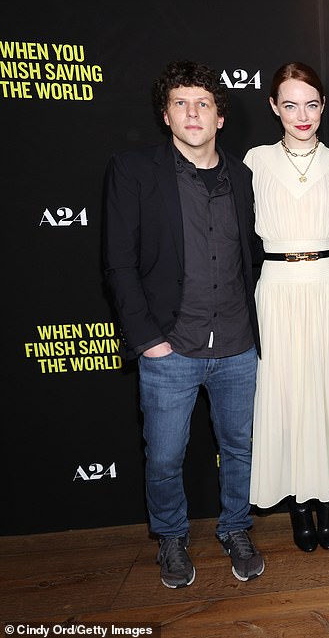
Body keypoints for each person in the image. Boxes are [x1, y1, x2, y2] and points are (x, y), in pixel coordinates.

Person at [103, 60, 265, 588]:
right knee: (166, 456)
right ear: (166, 114)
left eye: (203, 104)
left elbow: (252, 258)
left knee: (239, 449)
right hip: (170, 348)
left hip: (238, 345)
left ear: (220, 117)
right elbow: (118, 263)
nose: (192, 113)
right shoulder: (134, 171)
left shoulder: (242, 176)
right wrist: (148, 339)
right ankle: (171, 538)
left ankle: (236, 527)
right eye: (181, 103)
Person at [245, 63, 329, 553]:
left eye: (312, 104)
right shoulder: (254, 162)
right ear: (274, 107)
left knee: (327, 392)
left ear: (324, 107)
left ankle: (327, 502)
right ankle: (299, 502)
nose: (303, 115)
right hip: (278, 288)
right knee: (288, 393)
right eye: (291, 104)